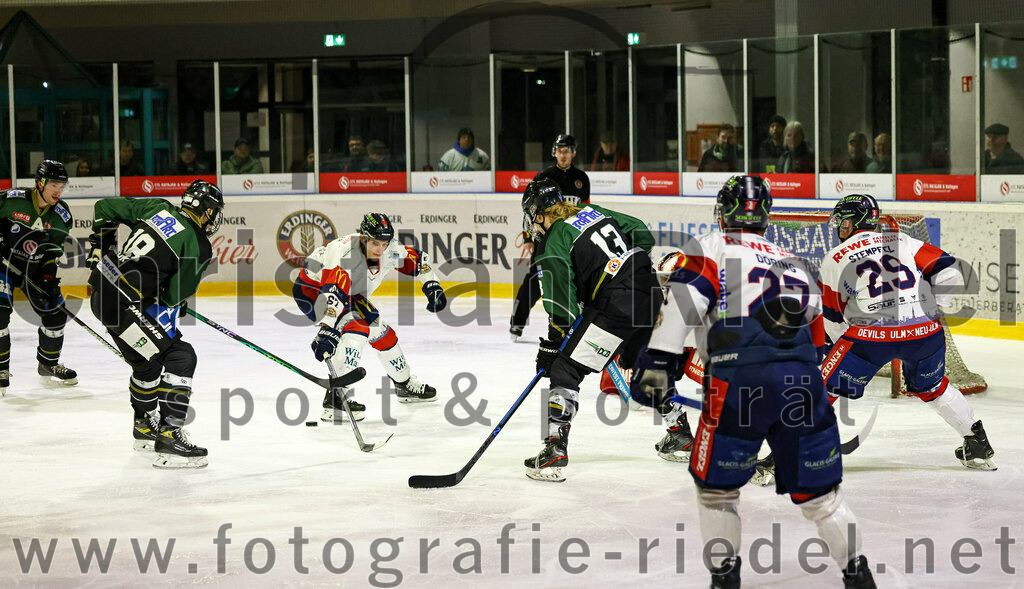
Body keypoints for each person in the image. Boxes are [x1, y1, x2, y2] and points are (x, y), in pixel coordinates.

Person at [637, 176, 876, 588]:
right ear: (765, 217)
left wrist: (658, 359)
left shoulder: (710, 246)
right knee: (823, 499)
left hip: (738, 380)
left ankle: (725, 582)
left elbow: (684, 301)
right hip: (803, 381)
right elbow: (817, 335)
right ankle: (859, 579)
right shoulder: (794, 261)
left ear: (721, 212)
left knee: (718, 493)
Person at [819, 194, 996, 470]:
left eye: (842, 223)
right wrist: (933, 309)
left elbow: (831, 317)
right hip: (926, 333)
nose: (839, 230)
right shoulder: (901, 240)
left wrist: (838, 351)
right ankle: (977, 443)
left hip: (869, 339)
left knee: (823, 386)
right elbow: (950, 270)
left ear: (855, 223)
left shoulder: (834, 257)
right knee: (935, 388)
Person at [522, 177, 661, 482]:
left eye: (533, 217)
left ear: (540, 214)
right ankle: (681, 433)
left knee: (565, 370)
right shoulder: (591, 210)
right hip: (650, 293)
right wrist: (616, 269)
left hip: (618, 304)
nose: (533, 224)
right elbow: (643, 235)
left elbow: (563, 308)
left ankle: (554, 450)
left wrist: (554, 344)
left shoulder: (554, 239)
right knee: (643, 364)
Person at [86, 180, 225, 469]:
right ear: (207, 212)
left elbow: (103, 208)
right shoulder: (198, 243)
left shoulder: (157, 206)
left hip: (102, 293)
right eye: (213, 212)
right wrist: (177, 298)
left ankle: (144, 426)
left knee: (148, 363)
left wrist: (102, 247)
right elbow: (174, 295)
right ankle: (169, 436)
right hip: (126, 305)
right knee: (180, 356)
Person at [297, 212, 446, 421]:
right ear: (363, 237)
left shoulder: (389, 250)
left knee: (384, 334)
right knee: (357, 328)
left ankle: (403, 385)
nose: (380, 249)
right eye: (376, 243)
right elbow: (333, 292)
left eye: (384, 243)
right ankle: (335, 399)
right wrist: (328, 328)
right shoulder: (343, 251)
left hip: (349, 293)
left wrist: (432, 284)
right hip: (314, 291)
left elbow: (418, 260)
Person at [0, 160, 78, 395]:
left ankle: (48, 364)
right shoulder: (12, 200)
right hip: (4, 265)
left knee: (56, 315)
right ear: (40, 183)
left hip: (33, 270)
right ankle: (1, 368)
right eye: (54, 184)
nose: (58, 190)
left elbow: (53, 251)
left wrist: (47, 277)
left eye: (62, 186)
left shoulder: (61, 216)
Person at [509, 133, 590, 341]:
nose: (563, 155)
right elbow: (530, 209)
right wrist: (529, 237)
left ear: (573, 153)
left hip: (571, 238)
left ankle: (576, 323)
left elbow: (585, 209)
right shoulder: (544, 176)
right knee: (535, 281)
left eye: (567, 151)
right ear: (555, 152)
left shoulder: (582, 179)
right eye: (559, 151)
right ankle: (516, 324)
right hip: (545, 238)